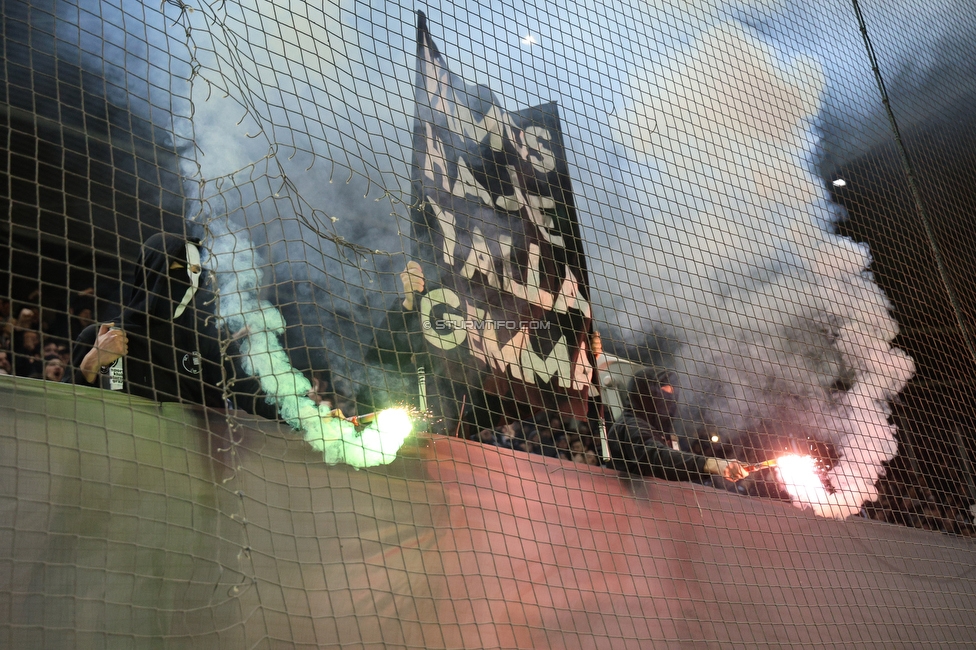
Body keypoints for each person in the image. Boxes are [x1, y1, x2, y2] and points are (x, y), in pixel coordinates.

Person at [68, 232, 276, 417]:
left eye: (197, 271)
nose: (192, 281)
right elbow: (61, 410)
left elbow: (250, 395)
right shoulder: (100, 336)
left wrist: (302, 407)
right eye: (181, 269)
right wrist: (90, 363)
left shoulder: (207, 339)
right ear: (153, 270)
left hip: (189, 457)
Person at [607, 367, 748, 483]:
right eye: (662, 394)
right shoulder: (630, 425)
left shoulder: (661, 434)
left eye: (672, 395)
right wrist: (712, 464)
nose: (668, 401)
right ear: (645, 394)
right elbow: (658, 457)